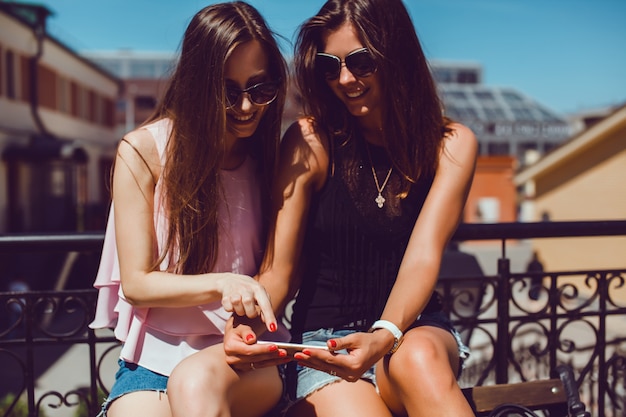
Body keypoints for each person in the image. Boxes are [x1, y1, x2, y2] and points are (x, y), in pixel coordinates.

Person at [171, 0, 477, 416]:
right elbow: (281, 270)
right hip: (324, 345)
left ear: (395, 53)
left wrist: (384, 334)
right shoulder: (311, 139)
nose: (345, 79)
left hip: (411, 330)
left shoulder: (450, 145)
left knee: (417, 359)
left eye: (361, 61)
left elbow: (423, 255)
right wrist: (248, 326)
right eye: (331, 66)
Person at [88, 2, 289, 416]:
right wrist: (224, 283)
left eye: (260, 88)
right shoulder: (142, 151)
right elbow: (137, 283)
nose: (247, 108)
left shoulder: (270, 160)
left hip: (243, 356)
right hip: (153, 362)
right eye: (229, 92)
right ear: (198, 85)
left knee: (198, 391)